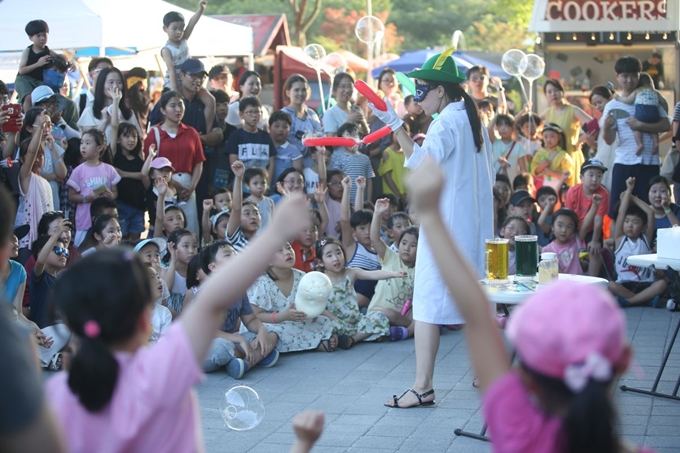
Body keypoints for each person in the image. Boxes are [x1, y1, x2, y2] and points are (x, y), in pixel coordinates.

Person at [406, 157, 654, 453]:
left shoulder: (520, 434)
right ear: (623, 361)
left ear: (525, 378)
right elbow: (477, 315)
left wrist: (431, 213)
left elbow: (476, 312)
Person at [44, 194, 311, 452]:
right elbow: (213, 301)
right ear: (143, 319)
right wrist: (276, 232)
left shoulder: (57, 397)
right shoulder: (161, 371)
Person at [368, 48, 494, 408]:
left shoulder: (447, 122)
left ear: (442, 91)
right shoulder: (470, 121)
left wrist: (394, 125)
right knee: (473, 302)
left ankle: (422, 387)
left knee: (425, 305)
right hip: (471, 231)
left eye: (423, 89)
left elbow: (423, 164)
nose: (418, 96)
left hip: (447, 233)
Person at [0, 185, 68, 453]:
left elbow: (14, 312)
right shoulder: (40, 276)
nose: (16, 242)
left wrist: (34, 329)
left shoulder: (18, 271)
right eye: (11, 237)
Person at [196, 242, 280, 378]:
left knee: (272, 334)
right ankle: (254, 358)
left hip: (231, 341)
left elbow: (250, 319)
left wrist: (261, 331)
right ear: (213, 267)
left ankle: (241, 363)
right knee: (222, 347)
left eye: (235, 253)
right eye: (228, 255)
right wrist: (239, 339)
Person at [602, 56, 670, 217]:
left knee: (651, 209)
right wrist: (605, 127)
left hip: (649, 161)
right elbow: (609, 139)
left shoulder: (649, 96)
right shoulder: (612, 105)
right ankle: (617, 241)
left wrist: (641, 125)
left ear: (640, 75)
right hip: (624, 162)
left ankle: (650, 241)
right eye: (625, 76)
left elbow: (666, 124)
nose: (629, 80)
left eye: (634, 75)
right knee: (618, 209)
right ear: (617, 76)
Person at [246, 240, 337, 353]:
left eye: (289, 248)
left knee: (324, 323)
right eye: (280, 250)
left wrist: (311, 314)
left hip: (294, 322)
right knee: (274, 333)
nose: (287, 252)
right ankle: (253, 357)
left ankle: (312, 343)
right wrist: (284, 316)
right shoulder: (263, 283)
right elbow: (255, 316)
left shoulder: (302, 277)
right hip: (271, 324)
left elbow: (311, 303)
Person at [315, 237, 401, 349]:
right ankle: (366, 335)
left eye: (338, 253)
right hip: (336, 322)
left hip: (356, 321)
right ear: (321, 262)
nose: (336, 258)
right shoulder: (319, 280)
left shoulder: (351, 273)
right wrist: (337, 321)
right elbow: (320, 307)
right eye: (329, 255)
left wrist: (394, 274)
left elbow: (373, 274)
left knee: (379, 317)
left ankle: (352, 339)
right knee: (324, 325)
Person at [145, 91, 205, 238]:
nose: (178, 109)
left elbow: (198, 162)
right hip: (164, 185)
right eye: (173, 106)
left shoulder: (191, 133)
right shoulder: (154, 133)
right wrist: (175, 184)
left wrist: (191, 188)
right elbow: (149, 166)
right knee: (164, 226)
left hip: (188, 185)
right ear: (163, 110)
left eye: (180, 105)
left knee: (190, 228)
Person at [610, 177, 667, 307]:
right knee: (611, 285)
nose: (630, 225)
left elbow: (650, 213)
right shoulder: (620, 239)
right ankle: (645, 299)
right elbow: (621, 213)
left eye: (635, 223)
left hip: (646, 283)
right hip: (625, 284)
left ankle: (630, 301)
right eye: (627, 222)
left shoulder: (645, 239)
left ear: (644, 227)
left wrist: (632, 198)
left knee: (662, 284)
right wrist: (629, 190)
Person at [160, 2, 215, 131]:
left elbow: (192, 23)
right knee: (173, 105)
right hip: (173, 82)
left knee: (210, 100)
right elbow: (172, 71)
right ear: (165, 29)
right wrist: (175, 91)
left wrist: (200, 9)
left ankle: (206, 132)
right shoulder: (166, 50)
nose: (179, 32)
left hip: (190, 79)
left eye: (181, 28)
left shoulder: (184, 39)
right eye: (174, 28)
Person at [367, 199, 417, 341]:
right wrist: (377, 214)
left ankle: (401, 331)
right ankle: (410, 330)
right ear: (398, 244)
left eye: (413, 245)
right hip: (379, 313)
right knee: (386, 313)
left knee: (420, 310)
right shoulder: (390, 257)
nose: (407, 248)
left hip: (401, 316)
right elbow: (375, 238)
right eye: (404, 243)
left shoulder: (420, 269)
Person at [66, 129, 120, 247]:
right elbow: (71, 196)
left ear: (99, 148)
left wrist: (111, 196)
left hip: (105, 222)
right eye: (82, 143)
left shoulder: (109, 169)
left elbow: (115, 192)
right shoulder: (78, 171)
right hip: (85, 221)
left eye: (88, 143)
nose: (83, 147)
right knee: (83, 251)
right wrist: (87, 198)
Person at [16, 115, 54, 263]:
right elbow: (31, 151)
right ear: (22, 159)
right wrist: (39, 128)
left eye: (41, 155)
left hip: (42, 239)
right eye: (33, 155)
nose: (37, 158)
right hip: (27, 240)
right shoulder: (25, 176)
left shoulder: (45, 182)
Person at [541, 79, 594, 180]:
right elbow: (532, 125)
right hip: (553, 160)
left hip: (570, 156)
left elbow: (593, 125)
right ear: (546, 95)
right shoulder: (547, 113)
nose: (553, 94)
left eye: (556, 90)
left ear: (562, 92)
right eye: (549, 92)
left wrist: (580, 141)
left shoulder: (573, 110)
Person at [77, 67, 143, 146]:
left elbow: (138, 139)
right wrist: (104, 121)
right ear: (102, 84)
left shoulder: (128, 114)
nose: (115, 86)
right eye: (111, 82)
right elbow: (88, 141)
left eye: (119, 82)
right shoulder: (90, 112)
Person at [565, 158, 610, 255]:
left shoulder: (603, 194)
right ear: (581, 177)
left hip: (592, 231)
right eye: (591, 175)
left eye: (599, 176)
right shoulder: (572, 191)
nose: (595, 179)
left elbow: (598, 221)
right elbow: (568, 216)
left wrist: (595, 241)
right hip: (572, 228)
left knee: (595, 251)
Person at [614, 73, 665, 155]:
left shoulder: (638, 91)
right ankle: (656, 143)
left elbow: (628, 100)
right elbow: (663, 102)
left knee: (636, 127)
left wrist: (618, 98)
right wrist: (665, 110)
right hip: (654, 114)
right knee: (653, 130)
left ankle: (640, 143)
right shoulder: (655, 92)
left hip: (641, 113)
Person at [281, 74, 323, 165]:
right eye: (296, 90)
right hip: (290, 167)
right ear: (288, 93)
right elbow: (286, 141)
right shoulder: (283, 115)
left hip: (313, 167)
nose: (300, 93)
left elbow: (320, 136)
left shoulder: (312, 114)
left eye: (303, 90)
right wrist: (310, 149)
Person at [226, 97, 276, 171]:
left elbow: (271, 163)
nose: (254, 115)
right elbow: (234, 163)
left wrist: (267, 182)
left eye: (257, 112)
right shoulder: (235, 136)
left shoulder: (266, 137)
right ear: (241, 114)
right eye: (250, 112)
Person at [329, 123, 374, 202]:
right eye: (347, 138)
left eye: (354, 136)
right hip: (346, 202)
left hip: (362, 201)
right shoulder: (339, 159)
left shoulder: (365, 158)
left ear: (359, 138)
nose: (351, 140)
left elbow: (369, 180)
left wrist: (369, 200)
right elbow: (337, 180)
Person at [160, 228, 198, 316]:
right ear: (172, 248)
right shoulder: (164, 268)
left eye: (194, 246)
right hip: (170, 318)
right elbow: (167, 288)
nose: (191, 251)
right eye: (185, 246)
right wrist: (173, 260)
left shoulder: (198, 271)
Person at [226, 161, 260, 251]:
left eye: (256, 213)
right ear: (238, 219)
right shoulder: (235, 238)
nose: (253, 217)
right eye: (247, 213)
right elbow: (236, 209)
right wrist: (239, 177)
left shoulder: (263, 242)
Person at [530, 122, 576, 188]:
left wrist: (552, 173)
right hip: (542, 186)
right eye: (545, 137)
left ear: (559, 137)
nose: (548, 140)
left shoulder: (563, 155)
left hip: (558, 186)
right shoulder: (539, 153)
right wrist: (541, 167)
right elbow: (533, 171)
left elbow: (568, 174)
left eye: (552, 136)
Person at [487, 113, 529, 183]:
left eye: (506, 126)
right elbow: (489, 128)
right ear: (497, 128)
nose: (503, 129)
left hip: (512, 183)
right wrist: (498, 115)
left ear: (512, 128)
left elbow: (523, 169)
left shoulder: (518, 146)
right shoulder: (494, 142)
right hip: (495, 182)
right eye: (500, 125)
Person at [323, 73, 368, 137]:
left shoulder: (356, 110)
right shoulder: (330, 113)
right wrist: (348, 123)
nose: (347, 90)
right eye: (342, 86)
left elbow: (366, 137)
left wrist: (363, 123)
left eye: (349, 86)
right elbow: (331, 144)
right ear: (334, 90)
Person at [589, 85, 617, 191]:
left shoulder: (618, 116)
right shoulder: (601, 121)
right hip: (602, 162)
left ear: (610, 99)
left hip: (615, 162)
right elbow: (603, 146)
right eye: (595, 104)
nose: (598, 107)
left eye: (600, 102)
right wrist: (590, 142)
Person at [270, 111, 303, 182]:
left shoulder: (294, 151)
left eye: (285, 127)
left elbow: (297, 175)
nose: (281, 130)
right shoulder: (265, 147)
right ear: (269, 128)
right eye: (277, 126)